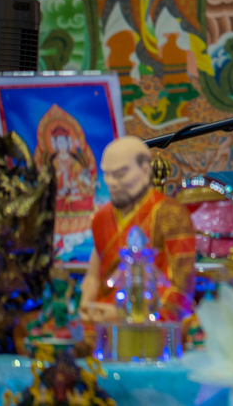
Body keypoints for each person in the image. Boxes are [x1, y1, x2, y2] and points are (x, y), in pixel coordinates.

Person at [80, 136, 196, 321]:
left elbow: (182, 286)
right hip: (104, 319)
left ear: (144, 171)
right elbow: (93, 276)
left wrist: (126, 315)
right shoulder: (101, 218)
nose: (111, 182)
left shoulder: (171, 214)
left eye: (120, 174)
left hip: (152, 319)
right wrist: (86, 306)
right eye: (107, 174)